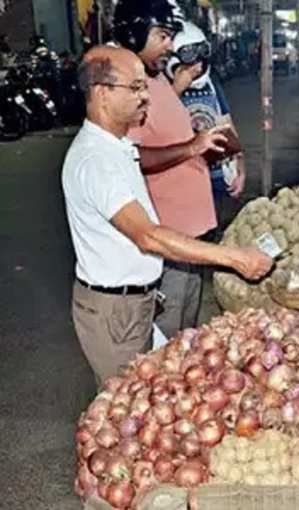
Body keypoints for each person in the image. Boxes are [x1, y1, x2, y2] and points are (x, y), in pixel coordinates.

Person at [62, 46, 272, 385]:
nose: (146, 96)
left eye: (145, 86)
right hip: (116, 312)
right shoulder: (95, 161)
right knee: (127, 409)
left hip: (136, 303)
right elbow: (148, 235)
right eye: (135, 88)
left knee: (157, 390)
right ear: (102, 93)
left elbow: (146, 157)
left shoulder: (115, 146)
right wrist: (232, 258)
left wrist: (192, 147)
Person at [113, 0, 229, 340]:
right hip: (170, 236)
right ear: (134, 34)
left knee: (188, 327)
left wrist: (200, 144)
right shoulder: (129, 89)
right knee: (168, 335)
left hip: (192, 233)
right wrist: (191, 147)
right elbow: (131, 155)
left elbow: (166, 132)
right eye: (162, 36)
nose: (169, 45)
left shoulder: (157, 79)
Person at [166, 20, 246, 240]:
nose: (198, 69)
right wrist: (177, 89)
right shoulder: (160, 87)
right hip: (181, 184)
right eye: (191, 64)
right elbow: (156, 125)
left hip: (216, 177)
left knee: (214, 236)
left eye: (201, 61)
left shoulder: (212, 83)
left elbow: (227, 124)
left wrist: (241, 167)